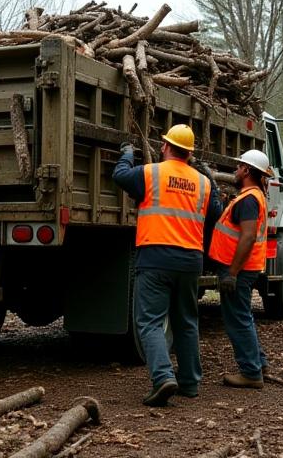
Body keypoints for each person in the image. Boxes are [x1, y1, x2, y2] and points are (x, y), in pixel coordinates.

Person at [113, 124, 222, 406]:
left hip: (155, 257)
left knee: (149, 321)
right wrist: (211, 180)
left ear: (165, 147)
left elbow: (120, 176)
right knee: (186, 322)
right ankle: (189, 383)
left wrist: (126, 154)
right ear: (190, 153)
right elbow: (216, 213)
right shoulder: (202, 183)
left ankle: (162, 377)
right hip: (190, 261)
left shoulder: (152, 173)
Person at [208, 150, 271, 389]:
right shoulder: (251, 197)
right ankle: (259, 363)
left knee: (237, 320)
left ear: (246, 171)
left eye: (238, 167)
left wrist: (232, 273)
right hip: (246, 267)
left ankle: (251, 373)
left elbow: (247, 237)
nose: (235, 170)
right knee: (243, 316)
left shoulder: (249, 200)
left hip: (239, 269)